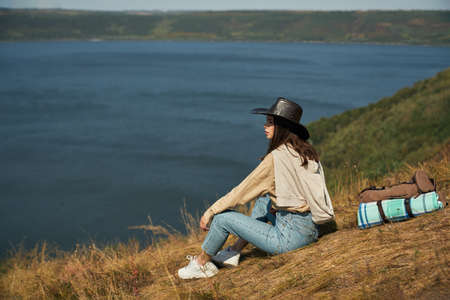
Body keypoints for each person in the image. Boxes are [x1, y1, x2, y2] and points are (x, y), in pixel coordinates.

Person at [178, 97, 334, 279]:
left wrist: (210, 212)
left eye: (270, 123)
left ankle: (201, 264)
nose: (265, 126)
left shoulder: (276, 158)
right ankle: (234, 252)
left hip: (288, 239)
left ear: (281, 127)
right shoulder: (304, 151)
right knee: (265, 200)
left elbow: (242, 191)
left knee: (222, 220)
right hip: (311, 227)